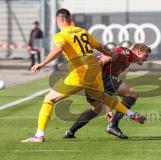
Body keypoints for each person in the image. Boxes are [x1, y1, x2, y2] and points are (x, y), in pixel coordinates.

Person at [21, 8, 146, 143]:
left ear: (58, 20)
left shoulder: (61, 34)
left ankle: (39, 136)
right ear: (70, 19)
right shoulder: (83, 32)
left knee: (49, 99)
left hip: (80, 73)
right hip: (95, 71)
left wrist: (43, 63)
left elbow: (58, 48)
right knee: (103, 99)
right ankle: (131, 114)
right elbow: (101, 47)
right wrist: (111, 55)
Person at [64, 43, 151, 139]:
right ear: (138, 51)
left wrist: (108, 109)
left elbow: (108, 90)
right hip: (97, 76)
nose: (146, 59)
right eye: (145, 55)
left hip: (95, 80)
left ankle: (70, 132)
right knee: (132, 95)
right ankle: (113, 125)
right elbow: (110, 56)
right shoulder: (127, 53)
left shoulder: (127, 60)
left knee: (96, 109)